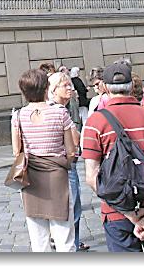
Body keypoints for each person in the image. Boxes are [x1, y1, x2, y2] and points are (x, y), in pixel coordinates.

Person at [81, 60, 144, 252]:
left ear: (105, 88)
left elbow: (92, 177)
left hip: (116, 213)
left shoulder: (95, 122)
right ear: (131, 86)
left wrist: (131, 215)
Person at [12, 69, 76, 252]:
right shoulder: (60, 113)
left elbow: (17, 151)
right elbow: (71, 150)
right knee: (64, 235)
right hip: (57, 175)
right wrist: (65, 162)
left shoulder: (18, 116)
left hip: (31, 177)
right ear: (47, 88)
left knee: (38, 238)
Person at [48, 72, 89, 251]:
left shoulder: (61, 107)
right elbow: (75, 137)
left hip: (61, 162)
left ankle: (66, 240)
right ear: (53, 90)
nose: (70, 88)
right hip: (65, 163)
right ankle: (70, 243)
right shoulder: (58, 110)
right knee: (73, 205)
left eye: (69, 84)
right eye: (65, 85)